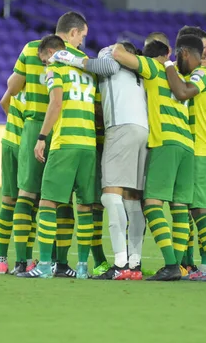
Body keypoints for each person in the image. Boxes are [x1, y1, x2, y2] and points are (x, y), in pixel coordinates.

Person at [50, 42, 148, 280]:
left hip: (121, 128)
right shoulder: (141, 75)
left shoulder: (115, 65)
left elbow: (107, 66)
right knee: (132, 198)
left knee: (110, 195)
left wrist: (71, 59)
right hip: (143, 132)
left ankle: (120, 263)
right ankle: (134, 264)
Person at [5, 11, 89, 276]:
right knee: (62, 200)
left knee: (27, 195)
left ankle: (22, 262)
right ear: (73, 33)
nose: (82, 43)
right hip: (66, 128)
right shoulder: (80, 59)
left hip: (35, 126)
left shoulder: (31, 49)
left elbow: (13, 87)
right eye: (82, 36)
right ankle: (60, 262)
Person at [17, 35, 99, 279]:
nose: (44, 65)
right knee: (85, 206)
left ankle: (43, 265)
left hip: (65, 143)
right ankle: (83, 267)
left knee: (47, 203)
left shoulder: (55, 68)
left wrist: (41, 137)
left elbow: (56, 103)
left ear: (52, 51)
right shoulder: (87, 68)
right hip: (89, 143)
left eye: (44, 60)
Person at [112, 38, 194, 281]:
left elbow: (118, 54)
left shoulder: (154, 68)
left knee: (151, 204)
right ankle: (178, 266)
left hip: (165, 142)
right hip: (187, 145)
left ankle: (170, 264)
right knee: (179, 208)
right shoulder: (179, 76)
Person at [163, 35, 206, 282]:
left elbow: (182, 93)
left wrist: (166, 65)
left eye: (177, 58)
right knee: (201, 209)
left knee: (201, 210)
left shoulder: (201, 75)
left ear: (183, 53)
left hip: (203, 149)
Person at [0, 90, 31, 274]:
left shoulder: (17, 82)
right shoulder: (43, 83)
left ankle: (1, 261)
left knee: (8, 202)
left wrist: (14, 122)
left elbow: (3, 101)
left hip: (9, 141)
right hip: (28, 145)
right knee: (29, 203)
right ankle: (26, 259)